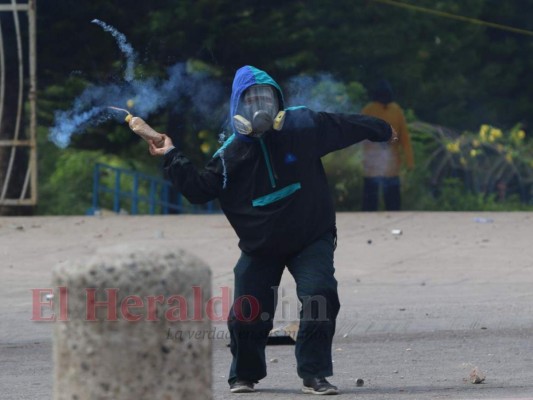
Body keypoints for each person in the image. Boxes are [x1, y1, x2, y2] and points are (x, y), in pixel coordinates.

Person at [148, 65, 396, 395]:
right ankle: (245, 374)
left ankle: (314, 373)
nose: (260, 107)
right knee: (247, 312)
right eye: (251, 100)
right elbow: (197, 189)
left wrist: (381, 129)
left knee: (320, 294)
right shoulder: (229, 155)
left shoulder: (303, 126)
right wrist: (171, 154)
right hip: (260, 247)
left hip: (311, 236)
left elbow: (346, 124)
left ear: (278, 101)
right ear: (238, 108)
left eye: (266, 98)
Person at [361, 80, 414, 211]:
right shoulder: (395, 110)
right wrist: (409, 162)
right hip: (388, 161)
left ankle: (369, 219)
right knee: (391, 200)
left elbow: (359, 135)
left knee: (372, 199)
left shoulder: (369, 109)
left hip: (375, 162)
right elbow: (405, 139)